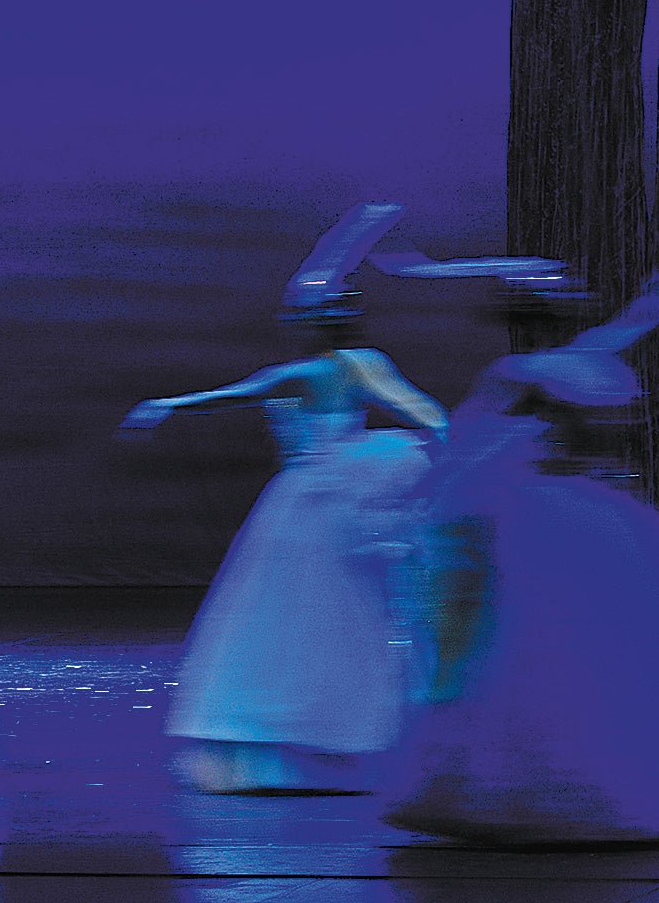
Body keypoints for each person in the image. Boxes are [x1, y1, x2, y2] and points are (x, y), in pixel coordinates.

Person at [119, 202, 454, 794]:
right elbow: (311, 301)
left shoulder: (330, 367)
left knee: (302, 613)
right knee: (321, 612)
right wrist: (354, 232)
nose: (295, 314)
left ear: (318, 320)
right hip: (318, 500)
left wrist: (168, 405)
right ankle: (328, 729)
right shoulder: (341, 364)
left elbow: (236, 392)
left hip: (313, 500)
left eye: (307, 311)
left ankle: (302, 726)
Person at [383, 279, 659, 845]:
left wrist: (421, 502)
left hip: (545, 512)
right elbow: (627, 329)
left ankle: (533, 785)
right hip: (589, 512)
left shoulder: (530, 371)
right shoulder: (588, 365)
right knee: (582, 642)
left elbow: (467, 441)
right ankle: (590, 779)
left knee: (530, 641)